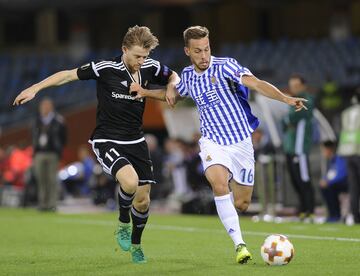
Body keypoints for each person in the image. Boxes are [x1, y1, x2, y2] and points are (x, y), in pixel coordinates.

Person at [13, 25, 178, 264]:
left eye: (145, 56)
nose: (142, 61)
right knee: (129, 182)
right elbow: (68, 75)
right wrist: (36, 88)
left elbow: (173, 75)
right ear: (124, 50)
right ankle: (122, 222)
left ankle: (136, 245)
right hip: (107, 138)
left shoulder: (150, 67)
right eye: (137, 56)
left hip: (136, 140)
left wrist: (172, 85)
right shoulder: (105, 68)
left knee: (143, 200)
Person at [165, 26, 308, 264]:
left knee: (241, 203)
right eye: (198, 51)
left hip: (241, 142)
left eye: (207, 49)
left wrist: (285, 98)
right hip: (212, 142)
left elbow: (256, 84)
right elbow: (171, 94)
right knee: (219, 185)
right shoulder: (188, 76)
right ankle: (240, 245)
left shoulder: (225, 65)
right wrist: (146, 91)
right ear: (187, 51)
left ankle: (230, 211)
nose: (204, 55)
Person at [282, 74, 315, 222]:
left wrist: (288, 120)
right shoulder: (292, 101)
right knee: (296, 180)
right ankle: (302, 209)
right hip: (290, 147)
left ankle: (310, 210)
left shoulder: (307, 99)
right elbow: (284, 122)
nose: (293, 89)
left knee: (304, 179)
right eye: (291, 86)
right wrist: (287, 120)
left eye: (296, 86)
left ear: (303, 86)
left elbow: (292, 118)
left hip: (300, 148)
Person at [33, 98, 66, 211]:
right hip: (40, 153)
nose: (44, 108)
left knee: (52, 180)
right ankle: (43, 204)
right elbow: (33, 136)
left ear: (51, 107)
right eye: (42, 106)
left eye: (46, 106)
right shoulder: (37, 120)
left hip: (52, 153)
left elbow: (64, 137)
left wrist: (59, 150)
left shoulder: (58, 120)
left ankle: (52, 204)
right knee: (41, 179)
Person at [337, 89, 360, 224]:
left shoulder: (346, 113)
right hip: (358, 150)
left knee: (353, 187)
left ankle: (356, 217)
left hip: (347, 150)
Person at [319, 140, 348, 222]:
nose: (323, 152)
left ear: (329, 149)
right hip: (337, 183)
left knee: (329, 188)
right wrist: (324, 180)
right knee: (324, 187)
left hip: (346, 183)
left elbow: (341, 174)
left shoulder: (339, 158)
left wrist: (328, 182)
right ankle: (333, 215)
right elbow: (330, 174)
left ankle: (335, 215)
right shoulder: (331, 160)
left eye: (323, 150)